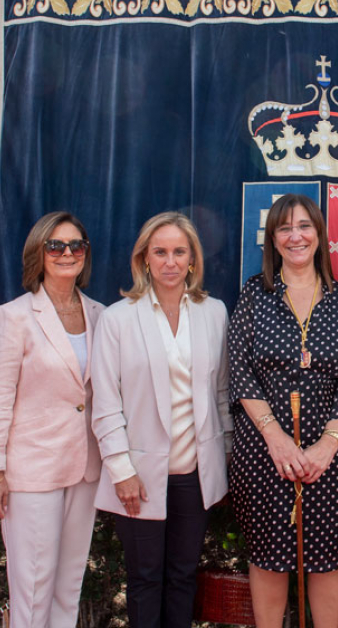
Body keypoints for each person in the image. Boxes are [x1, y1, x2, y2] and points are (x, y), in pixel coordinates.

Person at [228, 194, 338, 628]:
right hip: (265, 451)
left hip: (332, 455)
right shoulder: (255, 294)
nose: (296, 236)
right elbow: (240, 370)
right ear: (273, 239)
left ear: (319, 235)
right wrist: (276, 439)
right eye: (285, 228)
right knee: (269, 556)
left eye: (304, 226)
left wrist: (327, 445)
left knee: (328, 557)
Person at [91, 211, 231, 628]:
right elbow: (106, 403)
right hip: (138, 476)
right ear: (144, 259)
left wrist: (223, 462)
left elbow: (222, 394)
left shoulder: (214, 312)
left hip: (195, 474)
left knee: (183, 577)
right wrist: (121, 471)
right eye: (160, 252)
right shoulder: (117, 318)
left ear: (193, 259)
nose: (170, 262)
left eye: (179, 252)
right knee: (145, 579)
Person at [0, 211, 103, 628]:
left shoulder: (100, 314)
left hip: (86, 469)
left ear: (86, 253)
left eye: (76, 245)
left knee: (68, 587)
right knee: (32, 591)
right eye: (55, 245)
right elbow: (1, 398)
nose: (67, 253)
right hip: (32, 471)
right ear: (38, 253)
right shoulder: (13, 317)